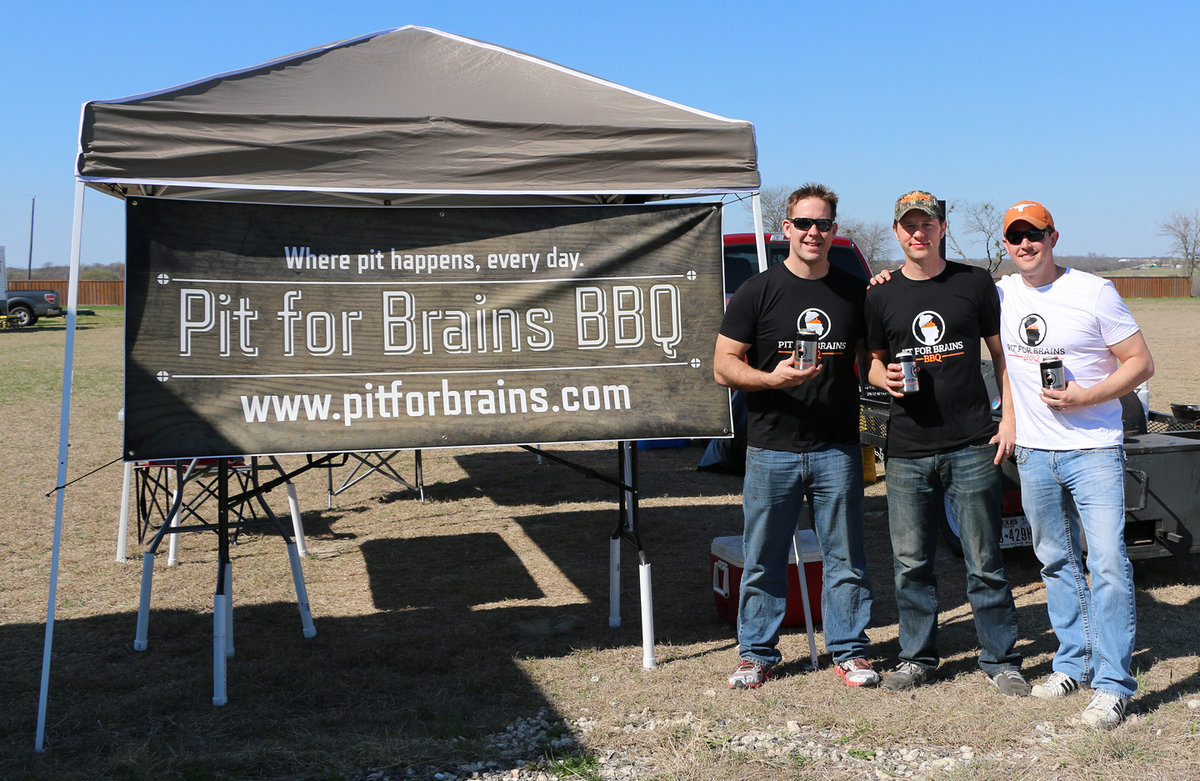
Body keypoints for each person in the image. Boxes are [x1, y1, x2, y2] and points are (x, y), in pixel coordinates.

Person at [865, 190, 1029, 696]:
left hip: (972, 442)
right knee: (911, 563)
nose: (919, 233)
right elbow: (872, 362)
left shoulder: (974, 283)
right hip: (907, 448)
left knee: (985, 559)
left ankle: (1001, 659)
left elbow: (1002, 356)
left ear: (942, 229)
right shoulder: (880, 293)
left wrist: (1009, 419)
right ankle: (917, 658)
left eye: (927, 224)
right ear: (897, 231)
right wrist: (884, 378)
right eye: (909, 225)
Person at [714, 183, 877, 689]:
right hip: (771, 447)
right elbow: (722, 366)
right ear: (786, 228)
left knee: (845, 557)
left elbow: (869, 359)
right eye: (803, 223)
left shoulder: (855, 291)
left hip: (837, 447)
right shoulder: (757, 290)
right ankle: (756, 654)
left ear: (834, 229)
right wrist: (771, 380)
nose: (813, 232)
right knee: (763, 557)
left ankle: (849, 650)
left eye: (822, 224)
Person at [997, 200, 1154, 728]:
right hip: (1034, 453)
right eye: (1015, 236)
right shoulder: (1002, 293)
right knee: (1055, 561)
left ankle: (1113, 685)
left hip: (1094, 451)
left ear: (1053, 237)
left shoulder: (1094, 291)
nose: (1026, 244)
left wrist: (1086, 397)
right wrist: (881, 278)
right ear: (1006, 245)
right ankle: (1072, 662)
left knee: (1106, 562)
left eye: (1035, 234)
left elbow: (1140, 362)